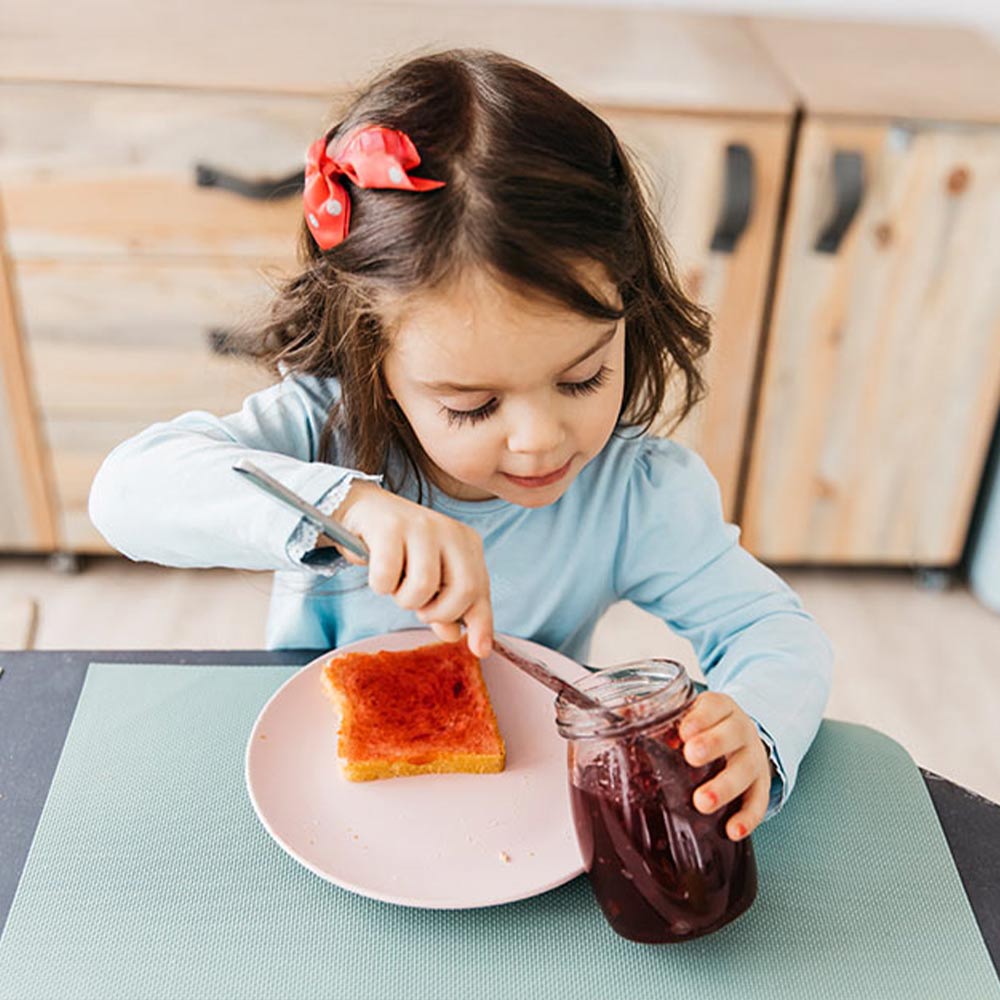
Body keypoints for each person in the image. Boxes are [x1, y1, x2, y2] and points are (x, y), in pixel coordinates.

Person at [89, 49, 832, 842]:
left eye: (583, 377)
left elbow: (776, 634)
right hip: (317, 798)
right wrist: (350, 506)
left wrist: (752, 727)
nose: (540, 440)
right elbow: (125, 492)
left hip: (519, 817)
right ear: (374, 361)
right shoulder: (324, 432)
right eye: (472, 405)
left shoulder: (636, 493)